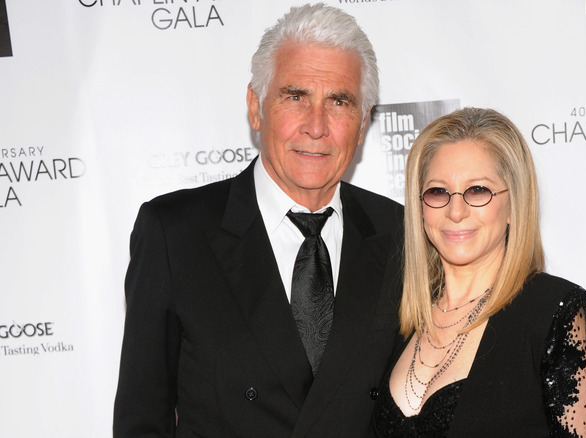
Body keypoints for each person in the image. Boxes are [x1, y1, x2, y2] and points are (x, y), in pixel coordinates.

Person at [113, 4, 404, 437]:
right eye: (295, 97)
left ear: (362, 123)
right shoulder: (174, 234)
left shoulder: (401, 233)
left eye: (339, 102)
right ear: (255, 107)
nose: (316, 126)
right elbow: (143, 420)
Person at [371, 108, 586, 437]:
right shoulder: (397, 318)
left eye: (478, 190)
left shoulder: (553, 312)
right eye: (438, 191)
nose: (456, 211)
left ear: (514, 203)